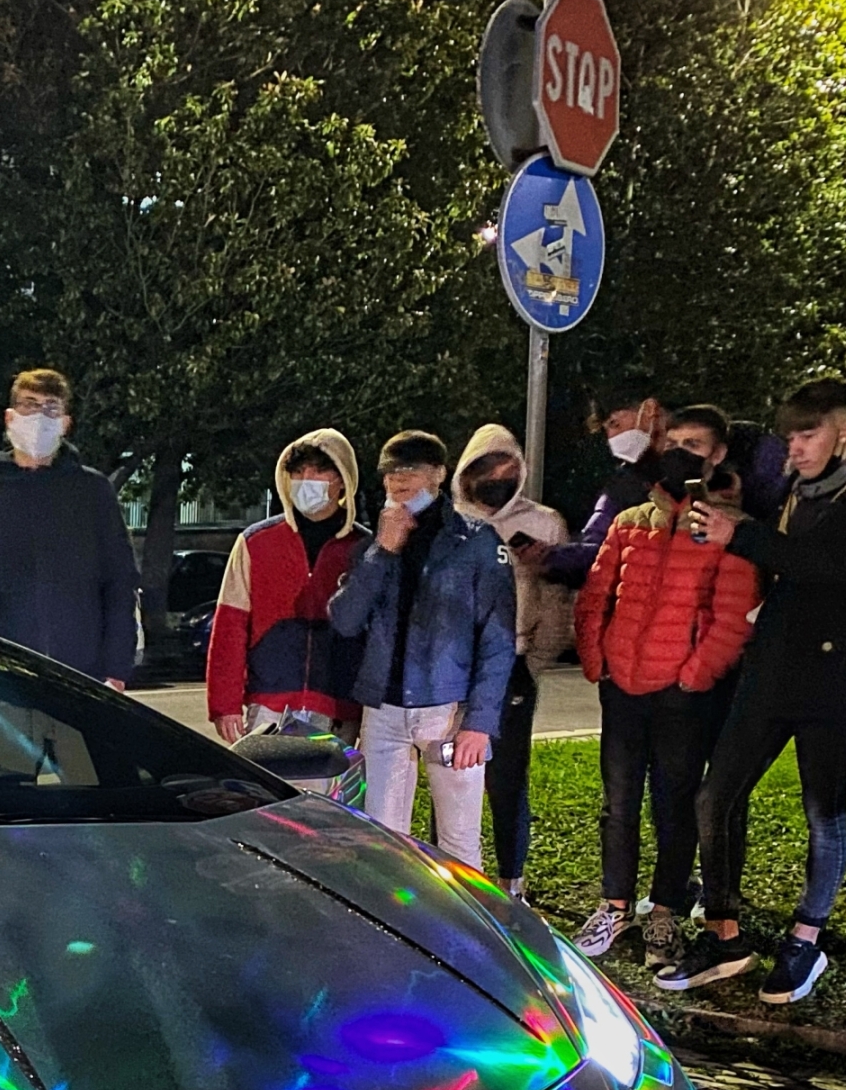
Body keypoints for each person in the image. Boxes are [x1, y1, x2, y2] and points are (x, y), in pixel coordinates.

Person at [658, 379, 846, 1003]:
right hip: (776, 668)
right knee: (716, 796)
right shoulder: (806, 485)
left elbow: (832, 566)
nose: (793, 448)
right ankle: (724, 934)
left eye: (807, 434)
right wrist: (742, 522)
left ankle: (805, 939)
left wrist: (744, 535)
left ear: (842, 431)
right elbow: (789, 555)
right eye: (789, 435)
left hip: (837, 676)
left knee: (823, 809)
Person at [568, 407, 760, 966]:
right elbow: (596, 594)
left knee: (673, 806)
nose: (680, 452)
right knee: (618, 804)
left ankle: (664, 913)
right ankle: (615, 905)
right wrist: (596, 657)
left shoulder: (728, 528)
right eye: (672, 441)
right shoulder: (630, 521)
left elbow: (732, 617)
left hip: (682, 695)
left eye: (694, 443)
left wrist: (694, 675)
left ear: (717, 454)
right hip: (622, 685)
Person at [325, 430, 518, 870]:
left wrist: (480, 723)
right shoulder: (375, 545)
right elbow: (345, 618)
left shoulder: (476, 542)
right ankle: (395, 926)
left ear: (439, 474)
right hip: (385, 709)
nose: (398, 481)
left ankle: (466, 931)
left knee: (459, 840)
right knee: (384, 840)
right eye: (391, 473)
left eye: (409, 470)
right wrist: (382, 551)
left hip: (450, 710)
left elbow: (498, 638)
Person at [0, 369, 138, 685]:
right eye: (29, 405)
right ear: (9, 418)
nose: (39, 416)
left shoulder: (93, 493)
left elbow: (119, 582)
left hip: (84, 678)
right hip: (6, 682)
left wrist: (116, 668)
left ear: (65, 423)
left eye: (50, 408)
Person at [453, 425, 571, 901]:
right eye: (486, 468)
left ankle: (510, 883)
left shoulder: (543, 522)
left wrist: (533, 660)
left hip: (514, 667)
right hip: (455, 670)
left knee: (506, 780)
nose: (497, 477)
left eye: (507, 468)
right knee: (454, 776)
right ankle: (454, 873)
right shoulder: (450, 522)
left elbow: (557, 602)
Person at [204, 430, 367, 739]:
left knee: (329, 789)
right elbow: (229, 626)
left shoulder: (364, 549)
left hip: (340, 708)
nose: (307, 479)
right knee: (268, 787)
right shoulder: (255, 542)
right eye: (298, 471)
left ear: (343, 479)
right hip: (269, 706)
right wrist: (223, 705)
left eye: (320, 470)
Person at [536, 386, 666, 589]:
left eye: (615, 424)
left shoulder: (717, 468)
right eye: (607, 430)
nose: (612, 437)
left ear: (648, 409)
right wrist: (552, 558)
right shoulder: (625, 483)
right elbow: (597, 544)